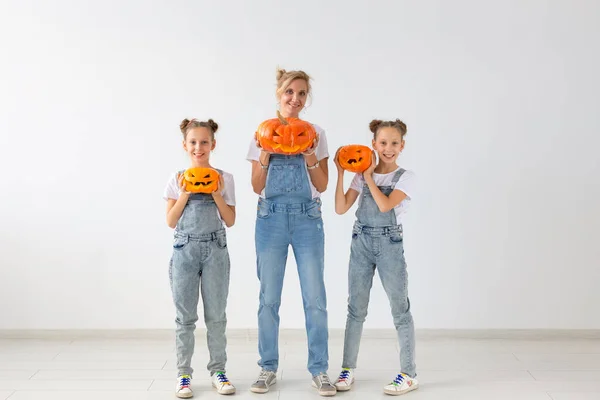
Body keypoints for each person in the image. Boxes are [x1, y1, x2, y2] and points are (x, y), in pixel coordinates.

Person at [247, 68, 336, 397]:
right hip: (270, 217)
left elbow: (323, 185)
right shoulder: (261, 132)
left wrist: (310, 154)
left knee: (315, 298)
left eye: (301, 94)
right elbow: (257, 186)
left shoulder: (316, 132)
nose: (295, 99)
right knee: (268, 298)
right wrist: (265, 155)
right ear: (278, 94)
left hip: (307, 218)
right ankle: (267, 367)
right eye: (289, 92)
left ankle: (320, 369)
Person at [332, 119, 419, 396]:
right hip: (361, 242)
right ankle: (348, 369)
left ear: (402, 145)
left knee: (400, 309)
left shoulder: (405, 177)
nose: (388, 148)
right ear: (373, 144)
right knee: (355, 309)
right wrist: (341, 173)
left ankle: (408, 373)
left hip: (389, 244)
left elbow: (384, 207)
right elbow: (341, 208)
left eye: (394, 143)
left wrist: (368, 175)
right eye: (383, 143)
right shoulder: (359, 174)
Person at [164, 118, 236, 397]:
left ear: (213, 145)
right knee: (185, 318)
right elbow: (171, 221)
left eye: (204, 142)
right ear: (185, 145)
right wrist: (184, 193)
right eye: (193, 142)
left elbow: (229, 219)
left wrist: (216, 194)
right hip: (185, 252)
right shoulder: (177, 178)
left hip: (215, 250)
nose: (199, 147)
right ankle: (184, 374)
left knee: (216, 316)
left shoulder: (225, 178)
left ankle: (218, 370)